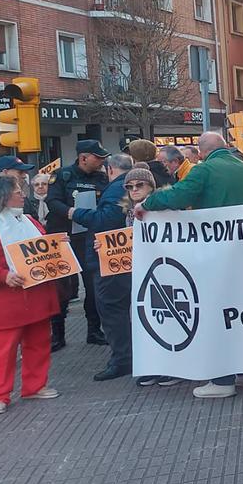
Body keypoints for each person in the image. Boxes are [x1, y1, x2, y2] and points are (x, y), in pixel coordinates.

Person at [138, 132, 243, 399]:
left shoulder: (204, 170)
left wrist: (147, 203)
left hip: (213, 254)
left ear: (201, 152)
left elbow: (177, 196)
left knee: (213, 312)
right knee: (239, 311)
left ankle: (221, 380)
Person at [0, 175, 61, 415]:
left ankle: (35, 386)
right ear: (1, 196)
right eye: (17, 190)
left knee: (39, 342)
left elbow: (45, 249)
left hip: (36, 293)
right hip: (6, 298)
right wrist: (1, 275)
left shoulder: (30, 220)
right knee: (3, 349)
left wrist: (58, 246)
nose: (22, 194)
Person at [71, 154, 137, 382]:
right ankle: (127, 355)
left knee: (111, 308)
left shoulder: (117, 188)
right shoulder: (132, 186)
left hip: (112, 259)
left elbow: (105, 220)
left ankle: (123, 359)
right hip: (122, 256)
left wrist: (75, 213)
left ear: (110, 169)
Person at [113, 167, 178, 388]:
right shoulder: (128, 211)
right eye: (129, 186)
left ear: (151, 186)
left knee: (168, 318)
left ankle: (171, 367)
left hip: (166, 271)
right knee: (144, 317)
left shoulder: (164, 207)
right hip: (142, 274)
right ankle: (152, 365)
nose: (134, 189)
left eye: (139, 185)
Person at [46, 139, 110, 352]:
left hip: (87, 239)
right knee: (61, 288)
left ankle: (94, 330)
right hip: (62, 238)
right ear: (84, 157)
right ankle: (58, 334)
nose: (102, 161)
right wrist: (71, 213)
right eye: (98, 157)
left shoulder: (102, 178)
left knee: (92, 286)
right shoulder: (63, 176)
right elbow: (52, 202)